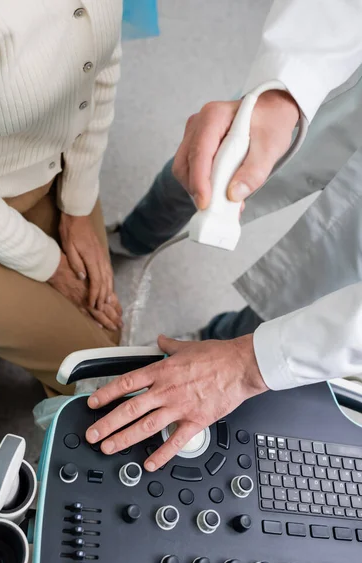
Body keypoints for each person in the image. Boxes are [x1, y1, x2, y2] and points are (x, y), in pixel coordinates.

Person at [85, 0, 362, 470]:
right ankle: (132, 237)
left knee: (303, 300)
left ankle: (214, 341)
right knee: (204, 168)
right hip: (341, 80)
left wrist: (250, 365)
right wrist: (283, 91)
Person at [0, 1, 124, 396]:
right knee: (95, 370)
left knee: (111, 335)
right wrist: (50, 265)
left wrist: (78, 206)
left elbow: (102, 69)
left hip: (44, 173)